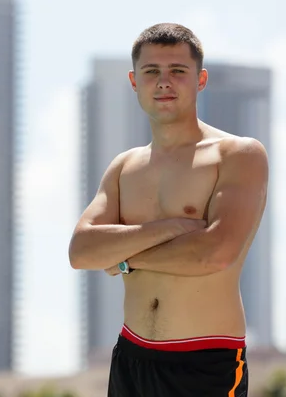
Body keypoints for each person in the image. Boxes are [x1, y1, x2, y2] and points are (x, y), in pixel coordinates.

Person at [68, 22, 268, 397]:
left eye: (178, 71)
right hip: (130, 357)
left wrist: (125, 258)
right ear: (133, 81)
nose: (164, 82)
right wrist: (168, 228)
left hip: (205, 361)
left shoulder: (237, 155)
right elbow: (81, 252)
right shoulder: (124, 167)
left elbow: (216, 254)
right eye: (151, 72)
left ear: (201, 79)